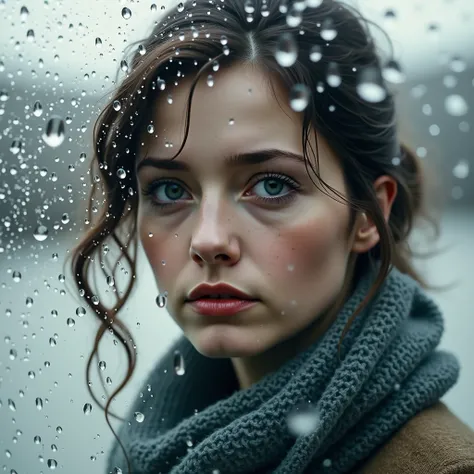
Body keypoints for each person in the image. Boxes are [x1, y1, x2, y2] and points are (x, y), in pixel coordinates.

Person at [67, 0, 474, 472]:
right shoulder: (152, 447)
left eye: (271, 186)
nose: (208, 240)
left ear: (367, 215)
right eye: (170, 189)